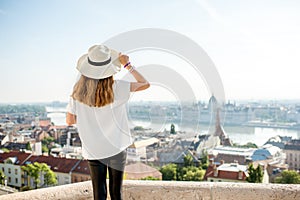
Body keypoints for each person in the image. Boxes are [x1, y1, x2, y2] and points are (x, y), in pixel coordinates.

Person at [66, 44, 150, 200]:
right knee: (116, 193)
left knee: (99, 194)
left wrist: (87, 116)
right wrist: (127, 65)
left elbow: (70, 121)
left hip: (93, 149)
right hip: (116, 146)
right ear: (110, 69)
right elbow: (145, 83)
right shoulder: (117, 87)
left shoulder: (77, 92)